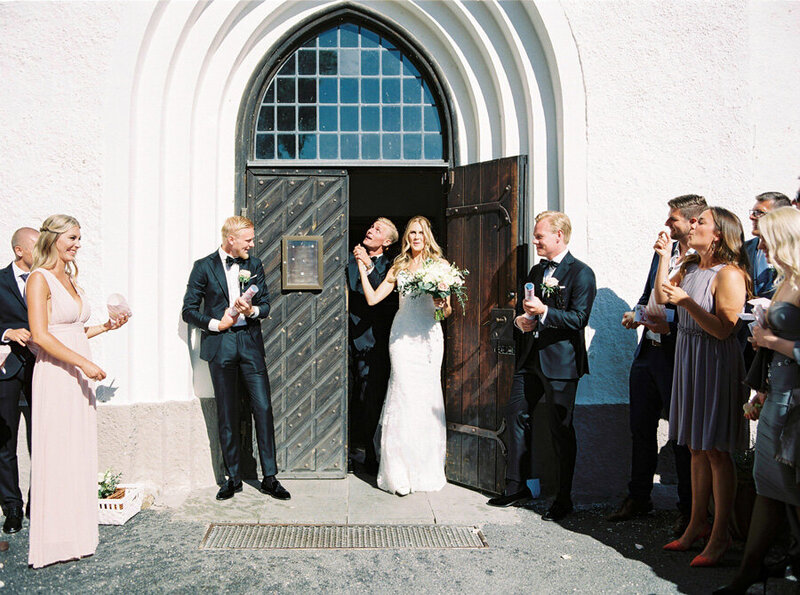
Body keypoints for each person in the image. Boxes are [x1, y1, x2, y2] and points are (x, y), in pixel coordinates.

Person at [26, 215, 129, 568]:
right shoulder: (39, 280)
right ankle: (53, 541)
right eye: (72, 237)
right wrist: (83, 364)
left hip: (77, 372)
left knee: (77, 450)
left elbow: (73, 332)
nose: (77, 244)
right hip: (56, 374)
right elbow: (40, 336)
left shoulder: (69, 278)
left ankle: (77, 535)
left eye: (80, 238)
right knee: (56, 451)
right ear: (53, 239)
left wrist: (106, 326)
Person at [487, 211, 597, 522]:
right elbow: (530, 310)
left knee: (560, 428)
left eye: (540, 236)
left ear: (559, 236)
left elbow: (579, 319)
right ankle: (516, 486)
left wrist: (545, 311)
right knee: (516, 414)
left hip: (562, 363)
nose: (535, 240)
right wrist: (524, 321)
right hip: (531, 358)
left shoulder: (582, 273)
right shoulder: (537, 270)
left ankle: (564, 498)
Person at [655, 207, 750, 567]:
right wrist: (663, 258)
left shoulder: (729, 274)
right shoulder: (692, 267)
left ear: (719, 235)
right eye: (692, 221)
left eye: (701, 222)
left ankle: (721, 534)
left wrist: (688, 303)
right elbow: (664, 299)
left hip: (715, 361)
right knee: (696, 447)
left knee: (717, 451)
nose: (692, 225)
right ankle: (696, 525)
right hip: (689, 357)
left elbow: (726, 329)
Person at [608, 195, 706, 535]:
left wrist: (671, 325)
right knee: (640, 428)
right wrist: (636, 314)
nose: (667, 225)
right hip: (647, 352)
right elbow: (649, 293)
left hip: (676, 352)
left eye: (673, 219)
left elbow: (697, 307)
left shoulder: (700, 261)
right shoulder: (661, 252)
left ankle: (688, 509)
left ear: (693, 222)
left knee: (679, 436)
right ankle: (639, 498)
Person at [715, 207, 800, 593]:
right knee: (767, 484)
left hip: (797, 405)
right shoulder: (786, 280)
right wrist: (761, 386)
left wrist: (770, 340)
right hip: (776, 395)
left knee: (793, 490)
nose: (759, 245)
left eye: (765, 237)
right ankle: (748, 571)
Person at [182, 216, 289, 502]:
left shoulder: (254, 265)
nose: (252, 245)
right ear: (231, 239)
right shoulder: (203, 267)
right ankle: (232, 478)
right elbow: (189, 311)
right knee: (227, 411)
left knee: (263, 408)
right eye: (248, 240)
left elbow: (266, 303)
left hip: (250, 344)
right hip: (222, 344)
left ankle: (269, 477)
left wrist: (252, 310)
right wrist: (218, 324)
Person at [356, 216, 449, 495]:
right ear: (406, 237)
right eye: (411, 232)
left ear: (427, 235)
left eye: (421, 232)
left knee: (426, 398)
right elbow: (373, 298)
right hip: (402, 337)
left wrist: (441, 304)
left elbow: (446, 313)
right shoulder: (399, 265)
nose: (416, 237)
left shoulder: (441, 266)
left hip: (429, 336)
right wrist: (363, 268)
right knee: (402, 397)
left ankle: (424, 470)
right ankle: (397, 472)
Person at [346, 218, 399, 474]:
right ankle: (343, 450)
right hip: (345, 339)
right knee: (346, 395)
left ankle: (369, 452)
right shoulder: (347, 258)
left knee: (370, 398)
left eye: (378, 230)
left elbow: (380, 298)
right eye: (371, 227)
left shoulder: (392, 267)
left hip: (374, 343)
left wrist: (368, 267)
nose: (370, 230)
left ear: (387, 242)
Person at [0, 228, 38, 534]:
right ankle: (11, 507)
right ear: (18, 251)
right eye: (36, 246)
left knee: (41, 439)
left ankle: (38, 503)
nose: (42, 250)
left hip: (42, 368)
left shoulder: (46, 281)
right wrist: (7, 333)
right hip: (6, 370)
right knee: (5, 441)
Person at [739, 192, 792, 369]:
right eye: (753, 212)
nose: (752, 216)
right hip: (748, 337)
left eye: (759, 213)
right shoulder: (744, 249)